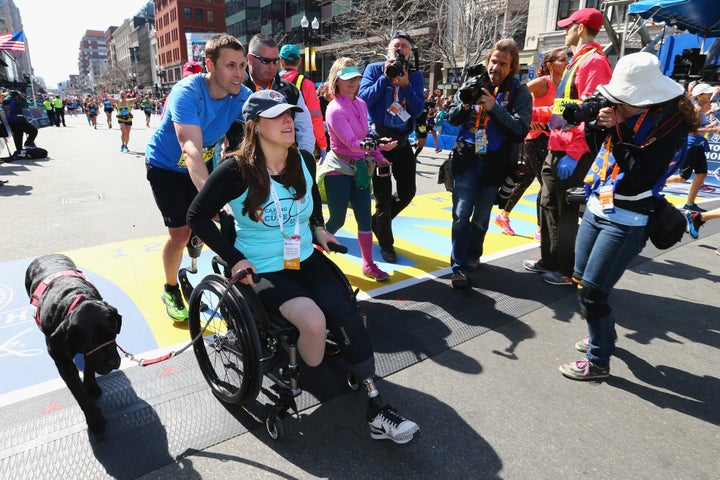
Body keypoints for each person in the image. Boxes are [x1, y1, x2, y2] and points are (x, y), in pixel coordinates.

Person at [186, 89, 420, 444]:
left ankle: (376, 407)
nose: (287, 121)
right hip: (263, 268)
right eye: (277, 115)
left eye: (289, 114)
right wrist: (234, 259)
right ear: (253, 126)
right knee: (313, 322)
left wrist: (319, 229)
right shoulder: (235, 170)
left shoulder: (304, 161)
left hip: (303, 258)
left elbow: (311, 206)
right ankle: (313, 362)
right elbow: (197, 216)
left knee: (347, 311)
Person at [558, 52, 698, 380]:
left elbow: (639, 175)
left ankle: (598, 361)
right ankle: (602, 335)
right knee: (581, 278)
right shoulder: (626, 114)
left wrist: (618, 129)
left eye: (623, 99)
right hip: (597, 205)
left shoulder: (670, 126)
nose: (616, 102)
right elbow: (599, 146)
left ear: (647, 97)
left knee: (593, 293)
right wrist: (596, 122)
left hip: (627, 218)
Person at [145, 33, 252, 322]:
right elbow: (190, 148)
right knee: (180, 233)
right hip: (166, 167)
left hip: (203, 163)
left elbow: (263, 129)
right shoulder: (187, 91)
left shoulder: (242, 95)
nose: (239, 73)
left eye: (242, 65)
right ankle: (169, 287)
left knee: (207, 226)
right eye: (230, 65)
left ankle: (195, 241)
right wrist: (208, 199)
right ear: (210, 65)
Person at [523, 7, 612, 286]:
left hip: (571, 152)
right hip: (556, 146)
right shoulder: (579, 61)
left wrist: (574, 153)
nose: (565, 31)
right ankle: (549, 261)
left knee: (564, 212)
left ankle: (565, 269)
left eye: (569, 26)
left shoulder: (593, 63)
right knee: (549, 205)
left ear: (581, 27)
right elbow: (567, 110)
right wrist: (541, 122)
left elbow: (592, 112)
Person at [446, 38, 532, 288]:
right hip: (466, 158)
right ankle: (458, 266)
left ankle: (473, 255)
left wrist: (494, 107)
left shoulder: (519, 92)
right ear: (488, 61)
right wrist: (465, 102)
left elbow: (520, 130)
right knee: (462, 214)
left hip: (494, 162)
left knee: (482, 218)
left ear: (512, 67)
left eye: (503, 64)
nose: (496, 67)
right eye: (494, 61)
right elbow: (451, 118)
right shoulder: (472, 82)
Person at [318, 57, 397, 281]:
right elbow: (352, 143)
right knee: (337, 220)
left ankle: (369, 265)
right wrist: (380, 145)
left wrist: (380, 156)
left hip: (360, 169)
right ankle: (313, 258)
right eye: (347, 78)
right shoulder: (334, 108)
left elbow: (366, 137)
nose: (352, 82)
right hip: (337, 170)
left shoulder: (361, 104)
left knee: (364, 217)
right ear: (337, 81)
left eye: (356, 78)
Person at [359, 31, 425, 263]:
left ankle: (378, 223)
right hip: (380, 145)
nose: (400, 50)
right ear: (388, 49)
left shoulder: (415, 75)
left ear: (410, 51)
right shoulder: (374, 69)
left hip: (403, 143)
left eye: (405, 46)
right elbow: (364, 99)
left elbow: (417, 110)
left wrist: (405, 85)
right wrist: (385, 78)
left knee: (407, 192)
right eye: (396, 45)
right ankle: (386, 244)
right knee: (383, 199)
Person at [494, 47, 569, 238]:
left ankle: (504, 215)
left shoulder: (564, 84)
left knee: (526, 179)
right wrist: (531, 117)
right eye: (561, 60)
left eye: (567, 59)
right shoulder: (543, 82)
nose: (566, 62)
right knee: (546, 183)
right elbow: (519, 96)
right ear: (550, 64)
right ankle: (540, 228)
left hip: (549, 137)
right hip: (535, 139)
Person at [232, 34, 314, 154]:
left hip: (284, 165)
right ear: (250, 59)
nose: (272, 66)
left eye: (275, 61)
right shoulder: (234, 89)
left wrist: (305, 162)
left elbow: (305, 131)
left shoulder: (291, 91)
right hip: (245, 166)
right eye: (265, 61)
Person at [665, 83, 719, 212]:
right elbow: (692, 130)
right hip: (691, 145)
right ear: (700, 96)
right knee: (683, 177)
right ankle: (659, 181)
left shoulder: (700, 108)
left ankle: (689, 204)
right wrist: (713, 129)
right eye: (708, 93)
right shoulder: (697, 109)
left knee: (701, 174)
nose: (710, 95)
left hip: (697, 144)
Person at [279, 43, 328, 161]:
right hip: (299, 143)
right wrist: (322, 146)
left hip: (275, 141)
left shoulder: (272, 81)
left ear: (281, 61)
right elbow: (315, 118)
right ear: (300, 61)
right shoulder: (306, 83)